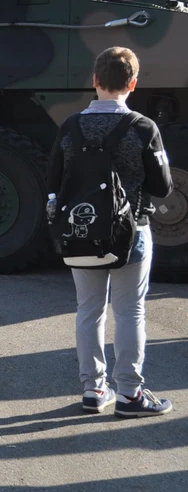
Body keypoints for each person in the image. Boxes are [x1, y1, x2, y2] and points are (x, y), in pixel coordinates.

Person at [47, 46, 174, 417]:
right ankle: (130, 394)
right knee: (130, 311)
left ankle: (93, 390)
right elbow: (163, 185)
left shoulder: (70, 127)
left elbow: (52, 177)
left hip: (82, 230)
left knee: (89, 311)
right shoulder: (143, 128)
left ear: (95, 81)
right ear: (133, 83)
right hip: (130, 233)